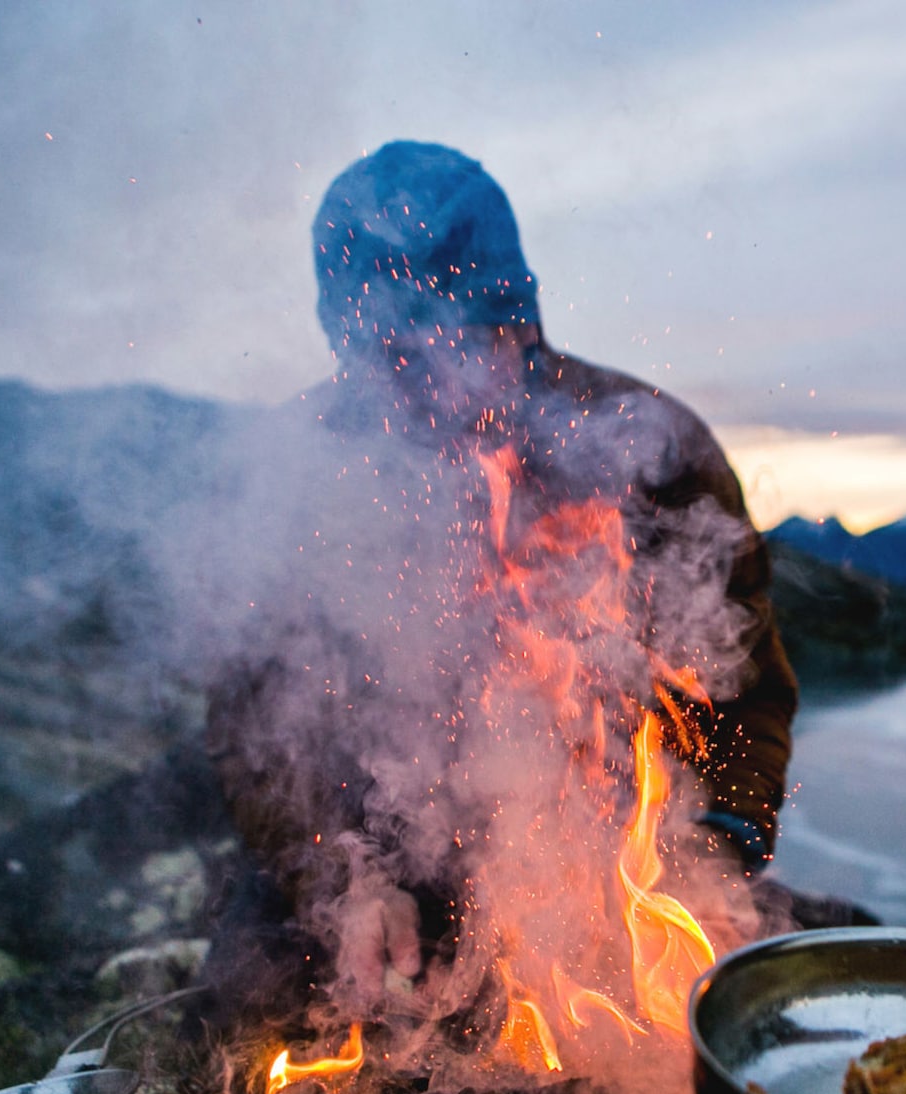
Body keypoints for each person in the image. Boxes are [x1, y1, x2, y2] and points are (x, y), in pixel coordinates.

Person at [205, 142, 798, 1007]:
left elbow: (743, 691)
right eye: (389, 366)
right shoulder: (295, 474)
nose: (422, 396)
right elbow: (251, 716)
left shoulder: (652, 451)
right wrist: (339, 878)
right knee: (241, 1010)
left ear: (517, 320)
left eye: (450, 350)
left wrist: (713, 843)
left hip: (606, 856)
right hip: (381, 861)